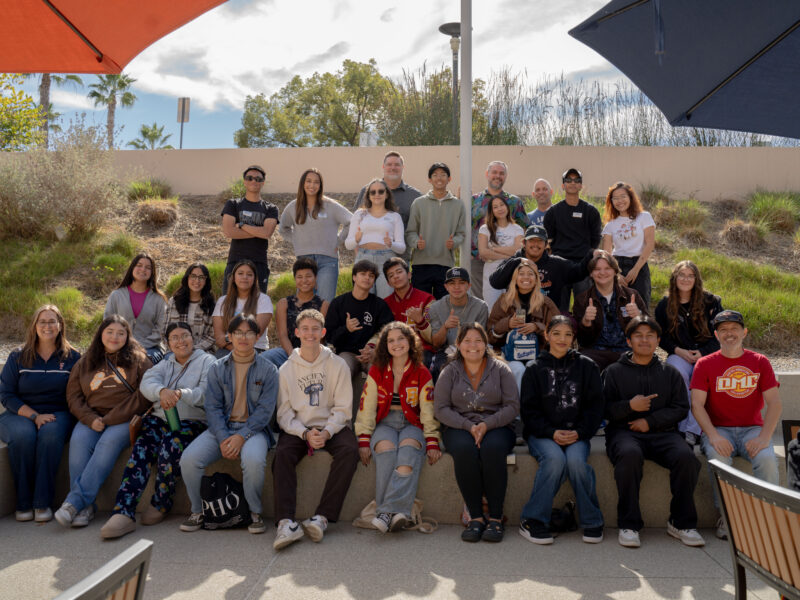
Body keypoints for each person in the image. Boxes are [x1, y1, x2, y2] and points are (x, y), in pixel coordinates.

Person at [99, 322, 215, 539]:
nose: (180, 341)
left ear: (193, 338)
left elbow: (207, 393)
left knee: (171, 446)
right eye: (174, 338)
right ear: (168, 343)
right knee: (141, 450)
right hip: (161, 419)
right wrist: (161, 391)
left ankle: (161, 502)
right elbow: (147, 382)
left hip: (193, 421)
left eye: (185, 336)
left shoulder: (208, 361)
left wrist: (181, 394)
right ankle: (123, 511)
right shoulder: (165, 362)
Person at [604, 316, 705, 549]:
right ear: (628, 341)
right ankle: (628, 524)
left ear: (658, 340)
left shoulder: (669, 373)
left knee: (687, 458)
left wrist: (650, 421)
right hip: (624, 433)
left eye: (650, 335)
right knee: (629, 456)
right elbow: (603, 408)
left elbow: (681, 408)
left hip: (663, 433)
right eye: (638, 335)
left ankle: (681, 522)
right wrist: (629, 406)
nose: (644, 340)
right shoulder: (613, 372)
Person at [179, 314, 278, 535]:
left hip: (254, 431)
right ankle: (198, 511)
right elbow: (212, 407)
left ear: (258, 336)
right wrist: (224, 437)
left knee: (253, 460)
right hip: (221, 429)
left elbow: (265, 412)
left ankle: (254, 512)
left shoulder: (269, 370)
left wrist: (242, 436)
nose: (244, 337)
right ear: (230, 336)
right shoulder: (217, 368)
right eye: (238, 333)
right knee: (189, 459)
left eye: (249, 333)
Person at [690, 309, 781, 540]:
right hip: (719, 430)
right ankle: (727, 518)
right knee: (718, 459)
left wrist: (763, 437)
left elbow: (775, 404)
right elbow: (697, 405)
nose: (729, 333)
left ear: (744, 332)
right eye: (723, 330)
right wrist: (712, 436)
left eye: (734, 329)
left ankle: (767, 518)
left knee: (767, 460)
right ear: (716, 335)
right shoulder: (704, 364)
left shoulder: (760, 362)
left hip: (753, 429)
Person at [272, 309, 358, 550]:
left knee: (350, 451)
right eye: (305, 329)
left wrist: (328, 431)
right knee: (282, 455)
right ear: (297, 333)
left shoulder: (338, 364)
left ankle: (321, 518)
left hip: (332, 425)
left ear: (323, 332)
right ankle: (286, 522)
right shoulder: (286, 369)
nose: (310, 334)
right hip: (300, 427)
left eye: (315, 329)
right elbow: (284, 412)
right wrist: (304, 433)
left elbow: (343, 407)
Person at [55, 315, 151, 528]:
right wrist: (90, 419)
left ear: (127, 336)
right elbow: (74, 396)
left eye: (120, 333)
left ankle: (75, 502)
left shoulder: (139, 360)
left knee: (107, 443)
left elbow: (144, 396)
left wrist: (109, 419)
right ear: (101, 334)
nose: (114, 337)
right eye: (110, 332)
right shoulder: (86, 360)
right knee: (78, 443)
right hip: (91, 419)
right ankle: (86, 508)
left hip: (124, 420)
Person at [518, 315, 604, 544]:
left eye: (568, 334)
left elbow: (596, 408)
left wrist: (580, 432)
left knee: (576, 462)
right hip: (543, 434)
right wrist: (551, 433)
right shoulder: (534, 369)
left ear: (574, 337)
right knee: (555, 460)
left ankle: (592, 520)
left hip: (577, 434)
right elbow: (529, 412)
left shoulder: (587, 366)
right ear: (546, 335)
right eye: (556, 333)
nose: (562, 339)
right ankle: (532, 520)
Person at [434, 323, 519, 543]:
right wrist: (468, 426)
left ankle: (496, 519)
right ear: (459, 344)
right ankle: (476, 517)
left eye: (478, 340)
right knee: (464, 449)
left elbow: (511, 406)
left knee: (493, 449)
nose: (473, 345)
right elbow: (440, 408)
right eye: (467, 341)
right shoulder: (449, 371)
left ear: (486, 343)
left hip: (497, 426)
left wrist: (487, 424)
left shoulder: (501, 369)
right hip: (459, 426)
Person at [356, 321, 441, 533]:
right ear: (385, 345)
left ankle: (386, 512)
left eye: (401, 338)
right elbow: (366, 406)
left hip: (412, 423)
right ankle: (400, 512)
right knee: (385, 451)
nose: (396, 344)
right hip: (385, 422)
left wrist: (431, 440)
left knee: (408, 451)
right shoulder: (377, 371)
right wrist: (364, 439)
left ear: (411, 342)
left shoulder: (422, 373)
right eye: (391, 340)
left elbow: (428, 411)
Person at [0, 305, 80, 523]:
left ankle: (41, 502)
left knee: (50, 435)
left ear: (60, 325)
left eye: (52, 321)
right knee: (23, 437)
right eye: (42, 321)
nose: (47, 326)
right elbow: (6, 395)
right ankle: (23, 503)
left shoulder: (73, 357)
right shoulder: (17, 356)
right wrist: (34, 416)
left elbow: (78, 393)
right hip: (18, 413)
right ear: (34, 326)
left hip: (58, 413)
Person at [654, 261, 723, 444]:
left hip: (706, 355)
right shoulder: (664, 305)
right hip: (680, 353)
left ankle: (693, 430)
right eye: (681, 275)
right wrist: (678, 350)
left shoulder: (711, 302)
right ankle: (684, 427)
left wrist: (702, 353)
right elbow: (660, 336)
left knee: (700, 377)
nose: (685, 279)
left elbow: (720, 333)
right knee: (674, 370)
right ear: (674, 278)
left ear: (696, 279)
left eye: (690, 275)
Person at [279, 168, 352, 302]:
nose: (312, 185)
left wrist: (339, 241)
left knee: (325, 303)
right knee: (304, 302)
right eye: (308, 181)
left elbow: (351, 221)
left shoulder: (331, 205)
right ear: (302, 183)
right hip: (303, 261)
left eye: (316, 182)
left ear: (320, 185)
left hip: (328, 261)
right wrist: (296, 240)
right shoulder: (293, 207)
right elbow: (283, 229)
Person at [324, 260, 394, 396]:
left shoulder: (379, 305)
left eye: (371, 276)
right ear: (354, 277)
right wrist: (347, 329)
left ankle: (375, 414)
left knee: (379, 369)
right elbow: (329, 337)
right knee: (343, 367)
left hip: (372, 353)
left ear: (374, 281)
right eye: (363, 274)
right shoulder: (339, 303)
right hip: (347, 353)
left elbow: (388, 333)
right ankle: (340, 414)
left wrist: (374, 350)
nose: (367, 278)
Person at [487, 259, 559, 390]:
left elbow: (559, 330)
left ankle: (533, 408)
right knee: (517, 369)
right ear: (515, 278)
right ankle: (518, 408)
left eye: (530, 274)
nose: (526, 277)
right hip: (509, 355)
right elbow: (489, 335)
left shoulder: (545, 302)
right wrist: (507, 324)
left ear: (536, 279)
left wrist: (538, 327)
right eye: (521, 273)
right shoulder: (504, 301)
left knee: (533, 366)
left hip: (539, 354)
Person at [572, 250, 648, 371]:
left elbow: (650, 329)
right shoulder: (582, 300)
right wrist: (586, 322)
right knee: (583, 363)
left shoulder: (631, 296)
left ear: (615, 271)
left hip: (626, 350)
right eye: (597, 269)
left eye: (607, 268)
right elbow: (582, 341)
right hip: (595, 351)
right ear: (591, 273)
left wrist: (638, 316)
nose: (602, 272)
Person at [489, 225, 595, 312]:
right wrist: (519, 261)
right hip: (517, 317)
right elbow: (494, 282)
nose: (535, 244)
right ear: (524, 243)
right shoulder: (513, 262)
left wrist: (592, 254)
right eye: (531, 240)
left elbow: (579, 272)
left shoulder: (557, 264)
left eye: (540, 241)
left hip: (547, 318)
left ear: (546, 245)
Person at [405, 162, 467, 300]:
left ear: (449, 179)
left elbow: (461, 233)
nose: (439, 178)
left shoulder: (458, 205)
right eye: (435, 175)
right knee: (420, 306)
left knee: (443, 306)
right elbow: (410, 232)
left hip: (445, 265)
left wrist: (454, 242)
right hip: (421, 264)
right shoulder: (418, 203)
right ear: (429, 179)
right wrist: (416, 242)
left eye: (443, 175)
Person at [470, 161, 530, 300]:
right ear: (487, 174)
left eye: (501, 173)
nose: (498, 176)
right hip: (479, 260)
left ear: (506, 176)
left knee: (510, 300)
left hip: (509, 263)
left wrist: (508, 253)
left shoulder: (514, 202)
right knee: (482, 303)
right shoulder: (474, 201)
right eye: (494, 172)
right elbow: (464, 226)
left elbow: (524, 230)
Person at [543, 168, 602, 306]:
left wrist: (589, 261)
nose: (572, 183)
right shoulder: (553, 212)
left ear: (581, 185)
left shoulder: (590, 211)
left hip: (582, 265)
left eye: (577, 180)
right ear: (563, 185)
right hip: (559, 266)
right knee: (559, 307)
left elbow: (596, 240)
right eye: (568, 180)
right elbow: (548, 242)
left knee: (584, 306)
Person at [220, 165, 279, 294]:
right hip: (235, 262)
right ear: (244, 181)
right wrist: (259, 231)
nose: (254, 181)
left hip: (259, 263)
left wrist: (241, 225)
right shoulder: (233, 204)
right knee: (229, 306)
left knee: (257, 307)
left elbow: (267, 233)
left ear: (263, 183)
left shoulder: (271, 208)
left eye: (258, 179)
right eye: (250, 178)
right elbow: (229, 232)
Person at [345, 178, 406, 298]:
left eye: (380, 191)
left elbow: (402, 248)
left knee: (385, 300)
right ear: (368, 195)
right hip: (363, 259)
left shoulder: (394, 216)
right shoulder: (359, 214)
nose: (376, 194)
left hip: (386, 260)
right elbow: (348, 245)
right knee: (363, 300)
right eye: (372, 192)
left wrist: (391, 244)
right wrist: (356, 240)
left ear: (387, 194)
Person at [263, 257, 328, 369]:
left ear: (315, 278)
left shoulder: (323, 304)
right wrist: (294, 356)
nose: (304, 280)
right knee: (263, 359)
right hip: (287, 352)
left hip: (314, 352)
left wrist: (308, 356)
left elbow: (321, 337)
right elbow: (282, 335)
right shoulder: (284, 303)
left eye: (308, 276)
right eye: (300, 277)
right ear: (295, 279)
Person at [104, 252, 167, 364]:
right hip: (118, 345)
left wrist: (139, 346)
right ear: (132, 268)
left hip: (151, 348)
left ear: (152, 273)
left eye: (148, 267)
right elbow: (107, 323)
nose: (143, 269)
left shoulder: (159, 299)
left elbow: (161, 329)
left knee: (141, 361)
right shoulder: (116, 295)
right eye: (139, 265)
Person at [427, 268, 488, 381]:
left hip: (474, 349)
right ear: (446, 286)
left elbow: (482, 340)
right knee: (438, 368)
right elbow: (436, 344)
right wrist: (445, 327)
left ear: (468, 286)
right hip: (446, 352)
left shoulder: (480, 307)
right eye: (452, 283)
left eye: (461, 283)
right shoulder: (435, 308)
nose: (456, 287)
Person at [601, 182, 656, 306]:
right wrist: (616, 274)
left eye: (623, 196)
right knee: (617, 307)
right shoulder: (610, 224)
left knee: (640, 306)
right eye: (615, 198)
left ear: (631, 197)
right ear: (611, 202)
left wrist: (636, 269)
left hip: (639, 263)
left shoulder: (644, 217)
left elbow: (650, 244)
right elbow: (606, 253)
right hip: (617, 264)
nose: (619, 201)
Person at [382, 257, 435, 368]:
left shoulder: (427, 299)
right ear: (388, 283)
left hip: (421, 349)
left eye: (399, 272)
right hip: (395, 349)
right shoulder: (384, 304)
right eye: (391, 276)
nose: (396, 276)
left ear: (409, 275)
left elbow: (433, 337)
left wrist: (420, 320)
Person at [212, 260, 273, 357]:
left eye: (249, 274)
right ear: (233, 278)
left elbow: (256, 333)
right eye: (240, 273)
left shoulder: (263, 300)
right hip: (228, 348)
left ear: (254, 279)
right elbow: (219, 338)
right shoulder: (222, 301)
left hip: (256, 349)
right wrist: (235, 349)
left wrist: (228, 338)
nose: (245, 277)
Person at [353, 151, 422, 234]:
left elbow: (420, 227)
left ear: (403, 167)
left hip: (401, 246)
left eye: (397, 165)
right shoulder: (366, 191)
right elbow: (355, 222)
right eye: (389, 164)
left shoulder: (414, 196)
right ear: (383, 167)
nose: (393, 168)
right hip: (368, 246)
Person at [478, 194, 525, 310]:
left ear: (507, 207)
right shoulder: (485, 229)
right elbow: (483, 252)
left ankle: (516, 329)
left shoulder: (517, 229)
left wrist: (494, 249)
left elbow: (519, 250)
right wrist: (509, 255)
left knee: (515, 308)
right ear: (491, 211)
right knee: (492, 309)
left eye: (502, 205)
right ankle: (491, 329)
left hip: (513, 275)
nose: (499, 209)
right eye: (495, 207)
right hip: (491, 275)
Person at [163, 263, 216, 353]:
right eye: (193, 276)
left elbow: (212, 336)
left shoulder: (211, 304)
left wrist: (193, 349)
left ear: (206, 281)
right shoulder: (174, 301)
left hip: (201, 352)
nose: (197, 280)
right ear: (187, 278)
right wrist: (177, 349)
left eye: (201, 277)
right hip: (175, 351)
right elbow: (165, 331)